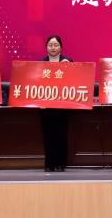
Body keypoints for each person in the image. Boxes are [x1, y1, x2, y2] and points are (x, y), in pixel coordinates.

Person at [40, 35, 72, 172]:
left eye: (56, 45)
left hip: (62, 105)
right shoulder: (40, 63)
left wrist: (69, 67)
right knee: (48, 135)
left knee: (61, 135)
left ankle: (61, 163)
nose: (53, 48)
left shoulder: (68, 61)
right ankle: (49, 163)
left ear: (61, 47)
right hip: (46, 106)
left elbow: (74, 80)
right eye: (50, 45)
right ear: (46, 47)